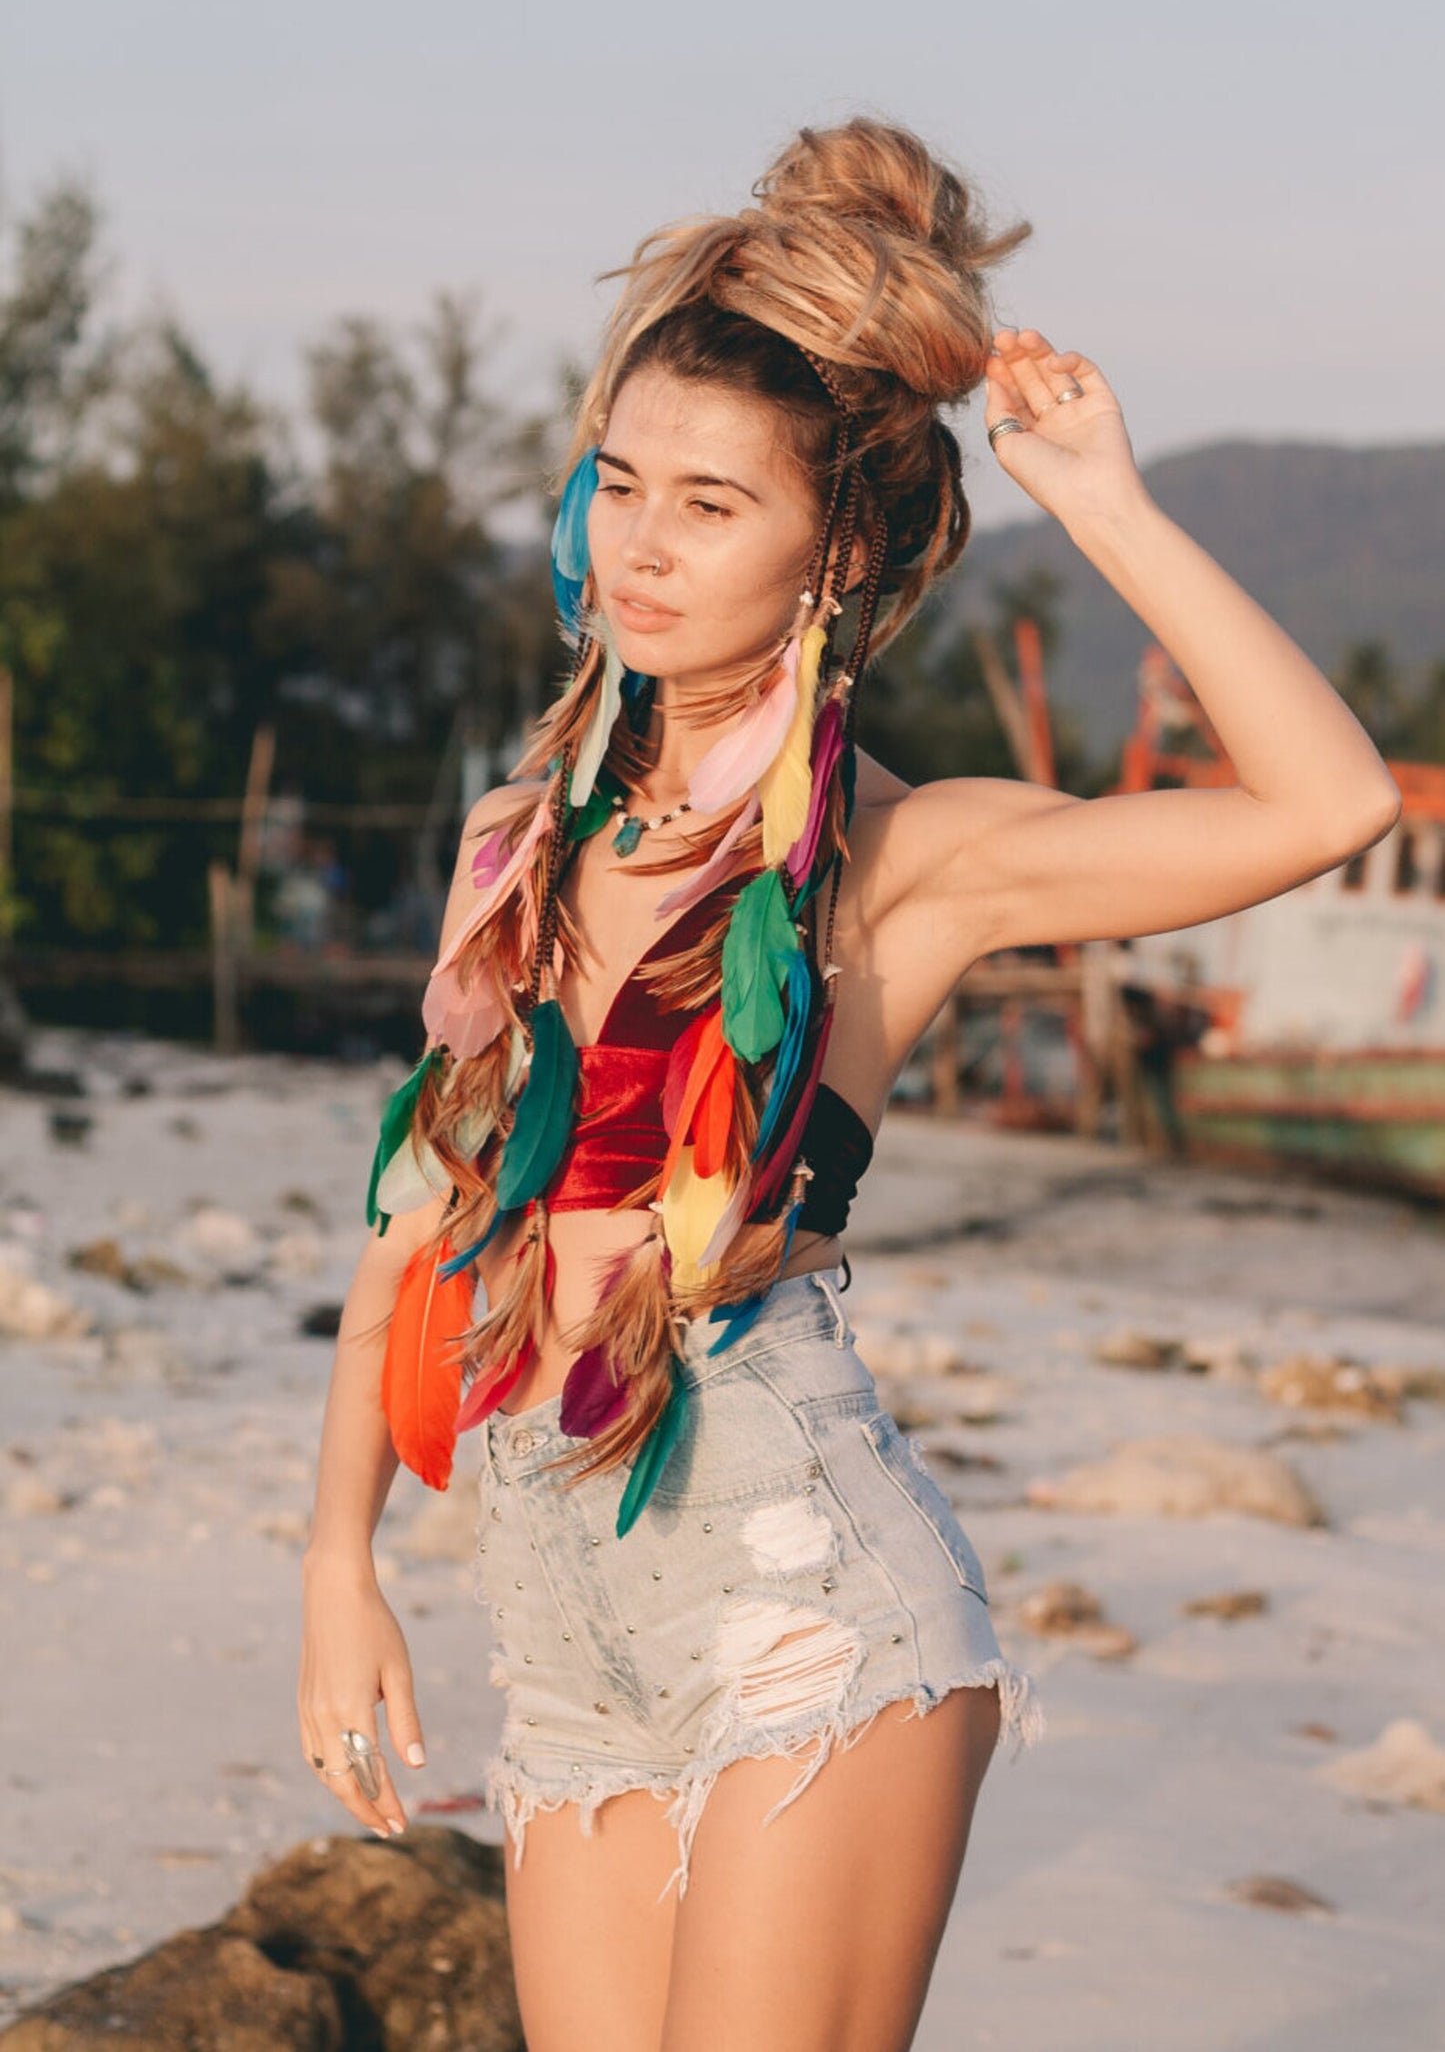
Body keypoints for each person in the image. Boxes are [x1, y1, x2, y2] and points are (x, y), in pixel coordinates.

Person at [299, 117, 1400, 2051]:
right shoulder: (516, 841)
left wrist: (1105, 507)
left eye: (713, 506)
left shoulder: (900, 867)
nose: (643, 542)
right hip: (563, 1623)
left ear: (840, 549)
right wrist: (335, 1560)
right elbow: (414, 1230)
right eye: (620, 482)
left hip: (803, 1605)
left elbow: (1328, 803)